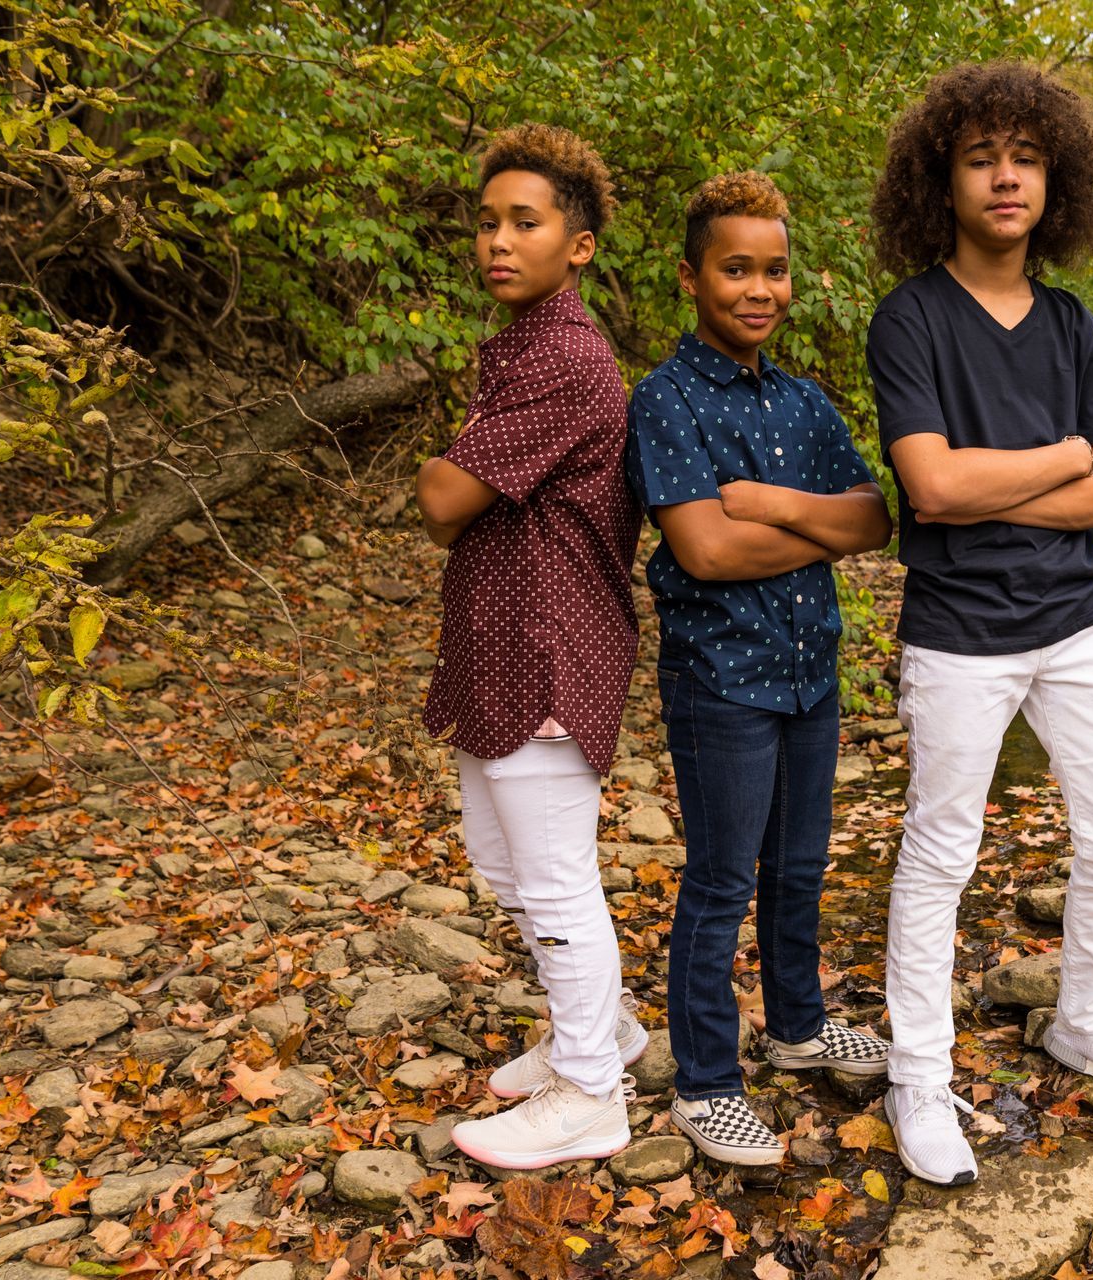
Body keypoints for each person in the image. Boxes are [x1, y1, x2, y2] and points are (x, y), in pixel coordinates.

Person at [864, 62, 1093, 1187]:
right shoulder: (910, 321)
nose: (1006, 176)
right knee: (941, 853)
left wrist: (996, 478)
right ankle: (918, 1075)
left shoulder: (1071, 322)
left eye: (1027, 156)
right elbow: (932, 491)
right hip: (958, 634)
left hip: (1078, 621)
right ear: (939, 178)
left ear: (1057, 178)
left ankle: (1083, 1021)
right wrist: (1058, 458)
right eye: (981, 156)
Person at [626, 172, 894, 1166]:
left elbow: (872, 517)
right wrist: (813, 526)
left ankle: (798, 1026)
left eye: (775, 270)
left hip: (806, 674)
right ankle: (704, 1082)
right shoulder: (666, 399)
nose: (759, 288)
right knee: (721, 877)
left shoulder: (801, 399)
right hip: (720, 680)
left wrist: (775, 507)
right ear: (692, 276)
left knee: (799, 868)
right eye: (737, 268)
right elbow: (702, 551)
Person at [414, 123, 646, 1170]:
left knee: (552, 877)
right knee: (505, 863)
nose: (498, 240)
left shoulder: (563, 356)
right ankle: (604, 1029)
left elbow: (442, 497)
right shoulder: (519, 346)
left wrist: (441, 468)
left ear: (579, 244)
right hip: (497, 638)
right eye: (488, 221)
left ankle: (594, 1090)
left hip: (548, 642)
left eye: (526, 221)